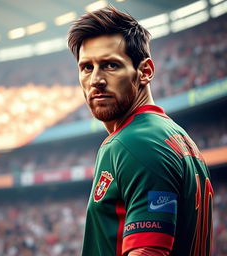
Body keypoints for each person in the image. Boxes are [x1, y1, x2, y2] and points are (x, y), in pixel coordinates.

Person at [67, 6, 214, 256]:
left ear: (145, 71)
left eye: (111, 65)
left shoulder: (135, 142)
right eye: (87, 67)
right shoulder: (175, 137)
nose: (95, 80)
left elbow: (149, 251)